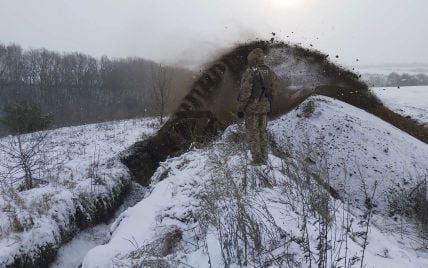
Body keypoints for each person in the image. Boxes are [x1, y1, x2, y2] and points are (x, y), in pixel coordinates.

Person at [237, 48, 278, 165]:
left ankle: (257, 159)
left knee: (253, 133)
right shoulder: (270, 72)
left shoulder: (250, 72)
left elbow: (245, 93)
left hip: (252, 109)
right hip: (265, 108)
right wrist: (268, 104)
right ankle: (264, 157)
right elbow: (274, 90)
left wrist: (240, 108)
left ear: (252, 59)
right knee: (262, 132)